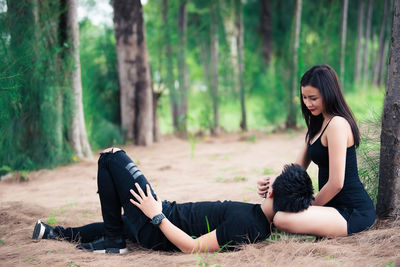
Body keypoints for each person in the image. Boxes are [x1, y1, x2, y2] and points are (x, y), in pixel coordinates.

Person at [32, 148, 314, 254]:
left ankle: (114, 243)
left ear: (276, 192)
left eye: (274, 178)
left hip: (157, 224)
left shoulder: (246, 223)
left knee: (111, 157)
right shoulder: (258, 218)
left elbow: (192, 247)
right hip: (162, 215)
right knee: (117, 225)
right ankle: (57, 234)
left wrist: (156, 215)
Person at [257, 64, 375, 237]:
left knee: (281, 218)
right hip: (329, 206)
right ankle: (239, 225)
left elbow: (337, 183)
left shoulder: (337, 124)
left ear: (328, 94)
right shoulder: (317, 124)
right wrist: (275, 181)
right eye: (304, 97)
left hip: (351, 211)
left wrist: (310, 206)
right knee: (271, 203)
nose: (307, 103)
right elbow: (297, 168)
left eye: (313, 98)